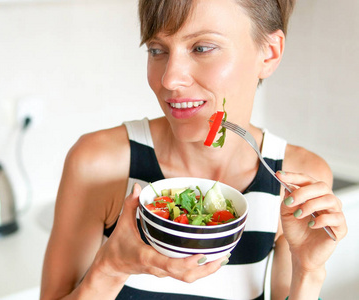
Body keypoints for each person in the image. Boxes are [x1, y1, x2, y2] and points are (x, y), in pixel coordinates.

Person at [40, 0, 348, 299]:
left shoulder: (296, 181)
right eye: (157, 50)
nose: (170, 79)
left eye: (202, 48)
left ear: (268, 53)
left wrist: (308, 272)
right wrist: (110, 267)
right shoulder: (98, 163)